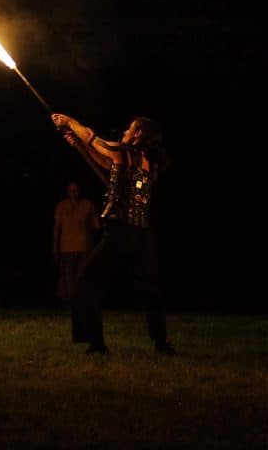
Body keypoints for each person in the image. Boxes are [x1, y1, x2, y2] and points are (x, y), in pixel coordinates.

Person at [50, 113, 174, 355]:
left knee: (86, 283)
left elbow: (92, 138)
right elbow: (106, 163)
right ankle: (161, 342)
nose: (125, 131)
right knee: (151, 290)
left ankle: (96, 344)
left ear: (138, 134)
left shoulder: (124, 152)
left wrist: (70, 122)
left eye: (130, 128)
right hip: (143, 235)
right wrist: (80, 147)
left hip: (120, 234)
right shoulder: (148, 162)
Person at [53, 180, 100, 305]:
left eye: (76, 190)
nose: (74, 192)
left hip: (83, 247)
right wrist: (55, 246)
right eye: (71, 190)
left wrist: (97, 219)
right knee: (68, 278)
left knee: (82, 277)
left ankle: (81, 302)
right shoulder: (61, 206)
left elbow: (97, 225)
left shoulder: (87, 204)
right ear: (68, 192)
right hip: (67, 248)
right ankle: (69, 302)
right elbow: (57, 227)